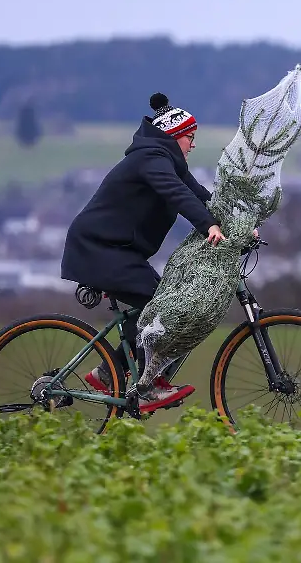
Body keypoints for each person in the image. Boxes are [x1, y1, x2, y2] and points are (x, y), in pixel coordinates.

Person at [61, 92, 226, 413]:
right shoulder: (152, 159)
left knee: (158, 306)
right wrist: (208, 226)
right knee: (161, 308)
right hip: (99, 250)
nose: (193, 145)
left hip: (117, 252)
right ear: (175, 136)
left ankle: (109, 372)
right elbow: (177, 194)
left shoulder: (166, 160)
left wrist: (238, 223)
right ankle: (146, 388)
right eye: (190, 138)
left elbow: (202, 195)